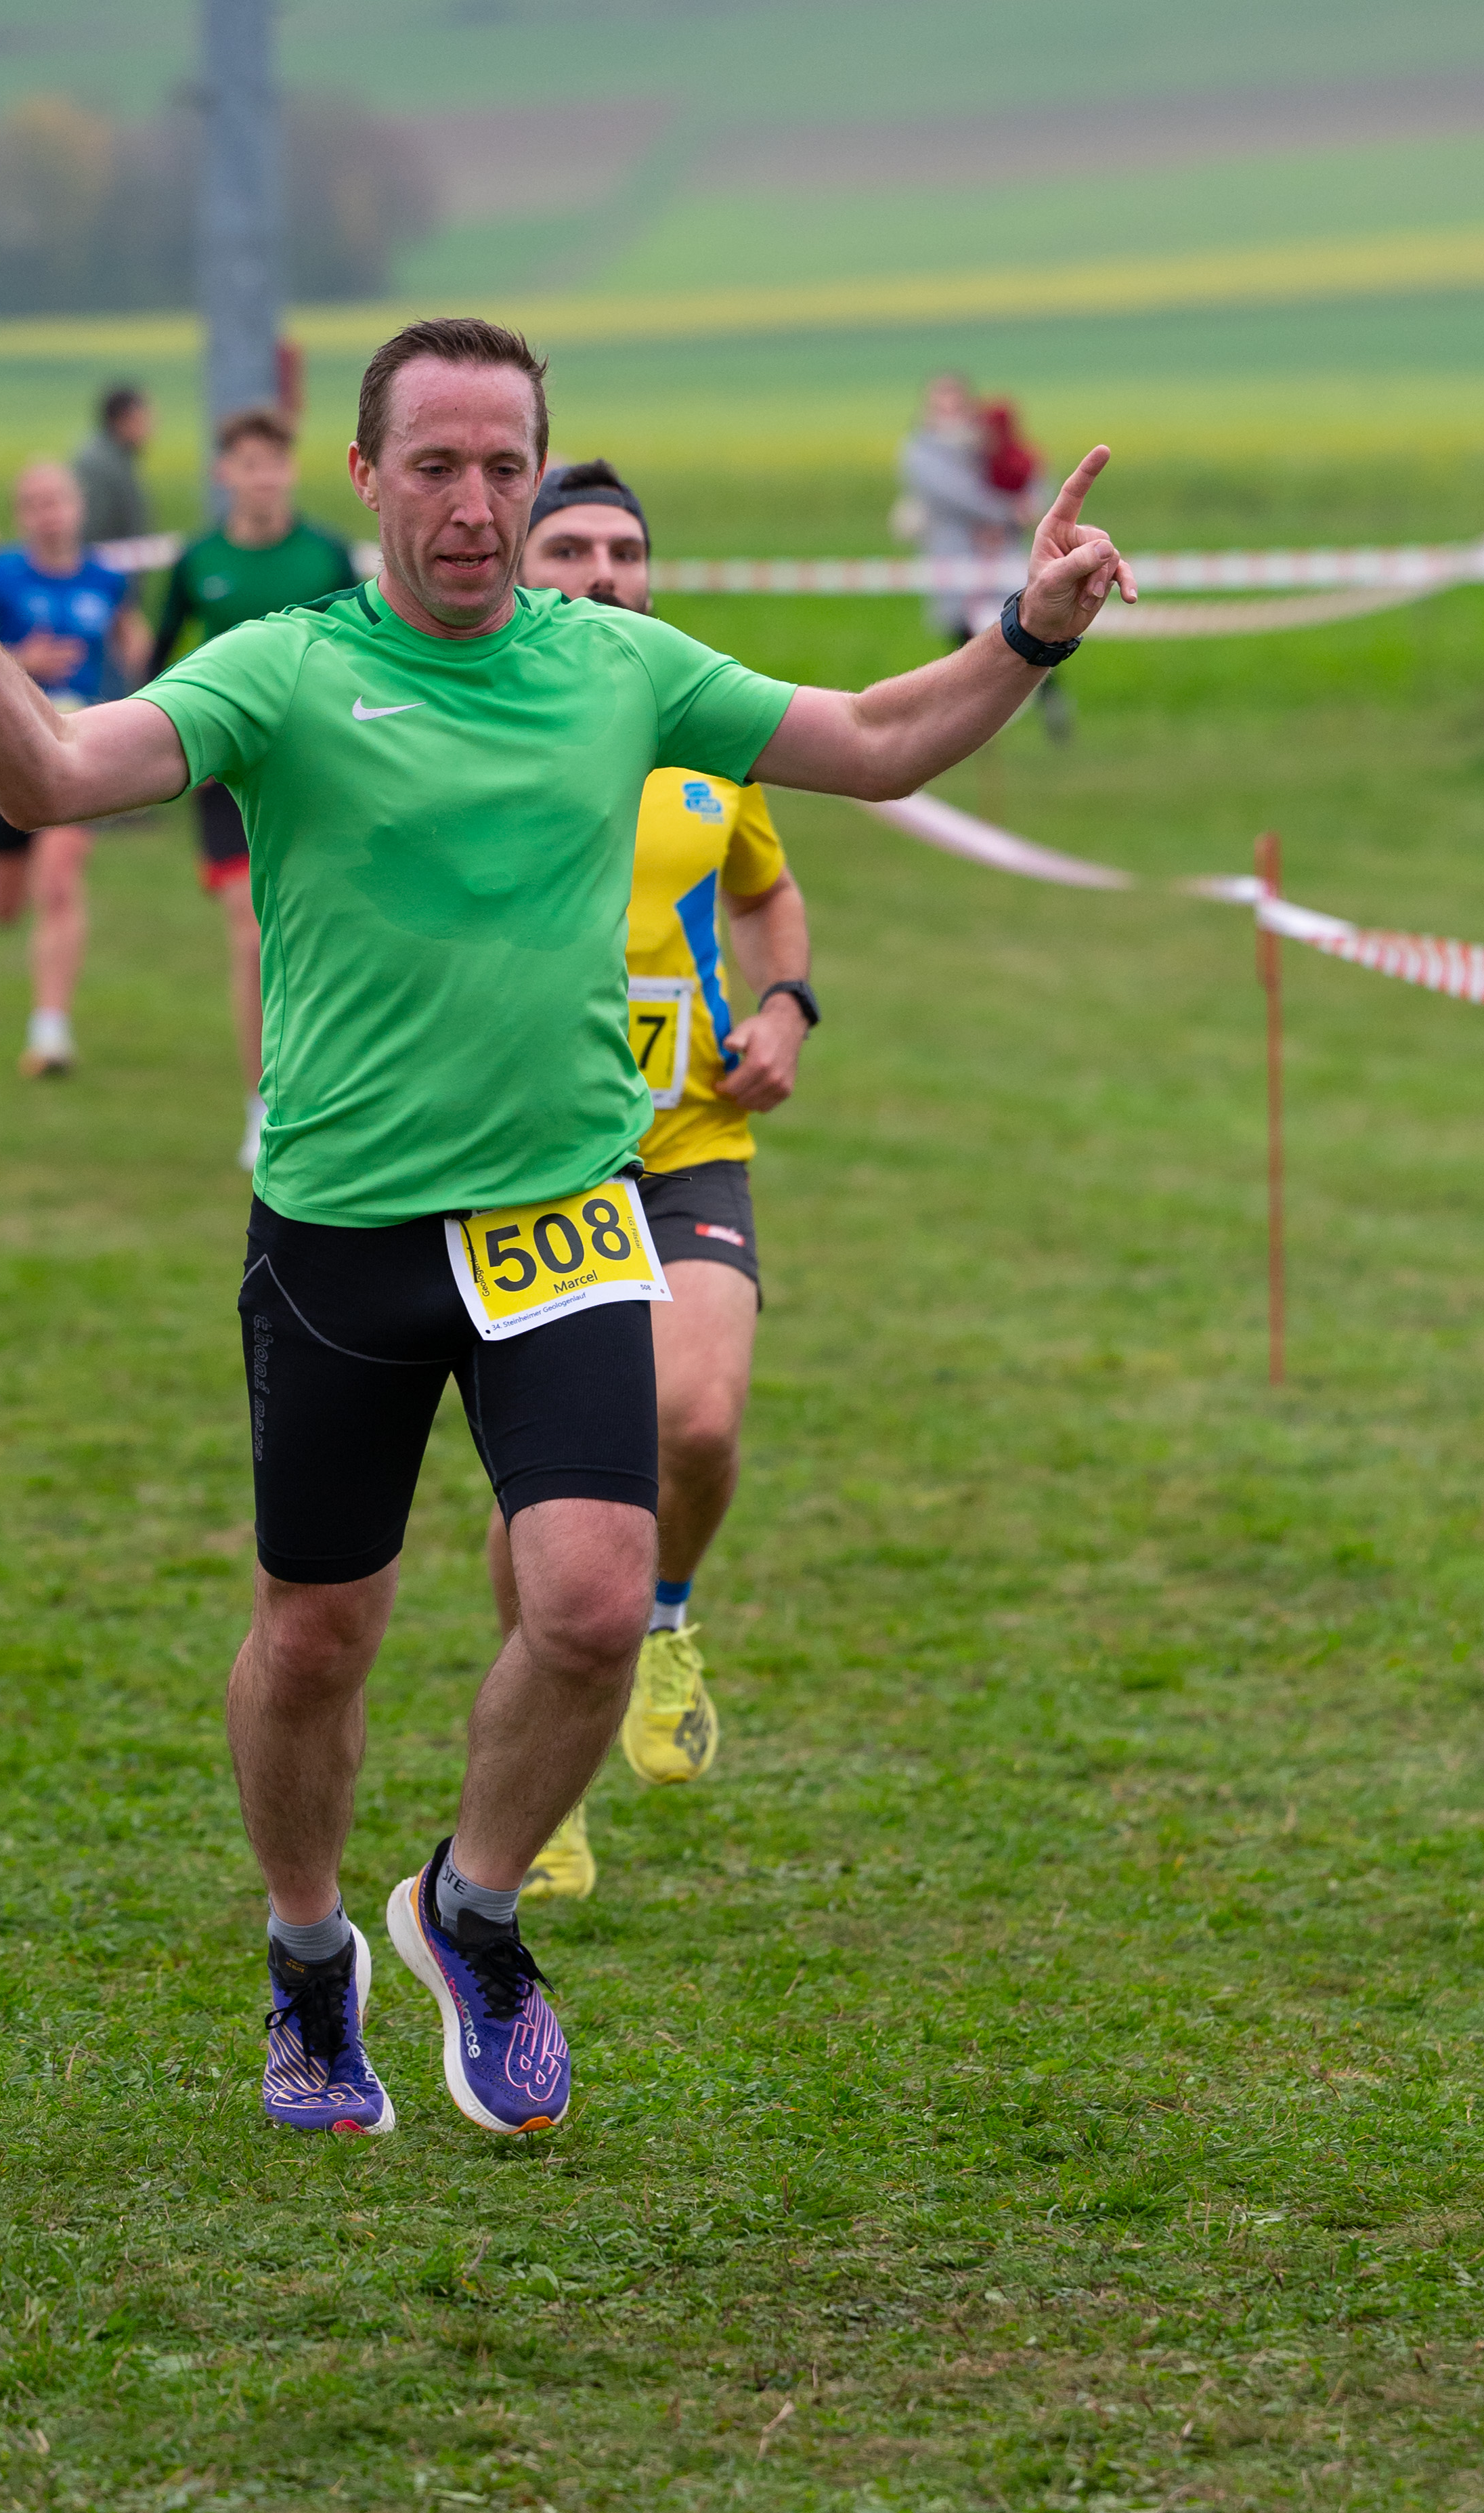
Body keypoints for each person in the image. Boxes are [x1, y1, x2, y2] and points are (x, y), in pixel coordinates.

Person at [0, 314, 1133, 2149]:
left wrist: (1027, 632)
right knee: (319, 1636)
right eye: (437, 466)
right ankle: (310, 1950)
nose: (474, 504)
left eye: (505, 467)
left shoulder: (615, 662)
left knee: (596, 1604)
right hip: (343, 1230)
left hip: (563, 1213)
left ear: (537, 479)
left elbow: (869, 742)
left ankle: (470, 1907)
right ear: (366, 476)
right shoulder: (283, 668)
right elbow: (51, 775)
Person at [496, 456, 815, 1904]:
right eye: (568, 548)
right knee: (547, 1493)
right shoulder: (475, 721)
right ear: (518, 566)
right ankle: (541, 1767)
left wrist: (786, 1005)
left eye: (623, 551)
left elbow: (762, 889)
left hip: (688, 1137)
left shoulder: (703, 729)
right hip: (524, 1156)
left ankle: (666, 1619)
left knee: (695, 1419)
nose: (602, 573)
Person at [145, 404, 358, 1172]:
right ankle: (260, 1105)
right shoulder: (197, 560)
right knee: (251, 931)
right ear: (224, 473)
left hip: (317, 773)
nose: (262, 477)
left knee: (325, 934)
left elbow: (367, 652)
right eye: (247, 464)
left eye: (273, 463)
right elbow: (158, 665)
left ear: (290, 471)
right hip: (226, 778)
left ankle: (335, 1090)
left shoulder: (327, 556)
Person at [0, 460, 150, 1077]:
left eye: (57, 501)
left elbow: (135, 644)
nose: (48, 514)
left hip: (76, 747)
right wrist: (21, 661)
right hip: (4, 750)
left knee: (57, 882)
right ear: (21, 515)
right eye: (35, 503)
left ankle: (49, 1034)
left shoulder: (107, 579)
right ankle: (43, 1004)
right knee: (5, 906)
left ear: (78, 508)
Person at [897, 372, 1070, 740]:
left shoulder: (987, 443)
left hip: (1001, 557)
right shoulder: (920, 452)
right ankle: (971, 725)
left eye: (955, 405)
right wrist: (1007, 513)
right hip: (953, 559)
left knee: (1027, 628)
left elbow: (1030, 474)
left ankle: (1050, 706)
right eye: (940, 406)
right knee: (964, 643)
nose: (949, 415)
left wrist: (1026, 509)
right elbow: (955, 494)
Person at [71, 385, 154, 548]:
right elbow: (92, 530)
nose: (151, 428)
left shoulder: (117, 457)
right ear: (125, 419)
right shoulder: (98, 465)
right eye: (145, 419)